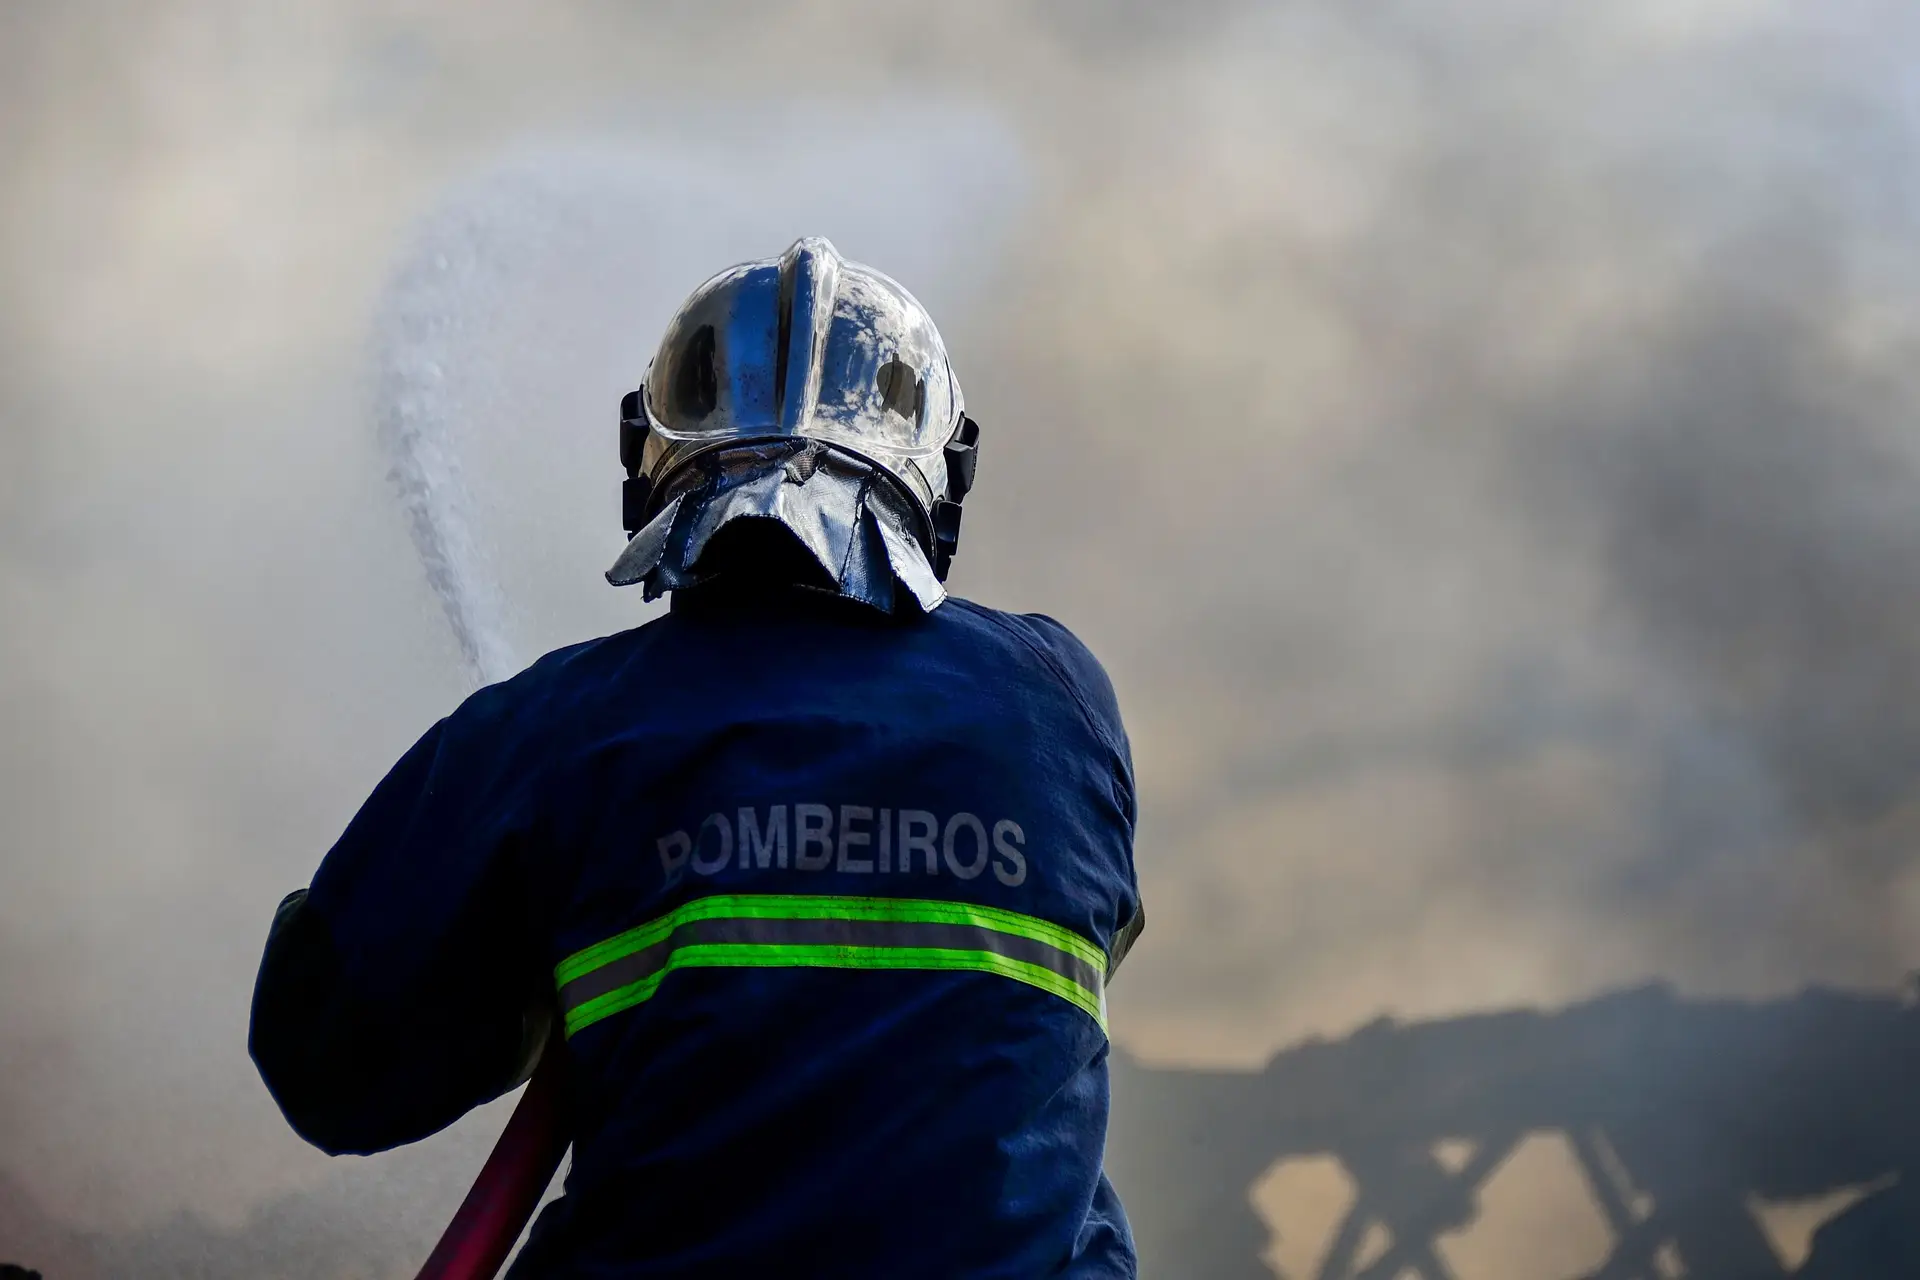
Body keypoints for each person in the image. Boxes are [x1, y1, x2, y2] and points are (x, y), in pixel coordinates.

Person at [249, 237, 1145, 1278]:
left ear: (651, 456)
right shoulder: (1060, 705)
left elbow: (329, 1062)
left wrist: (540, 985)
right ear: (944, 475)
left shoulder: (561, 728)